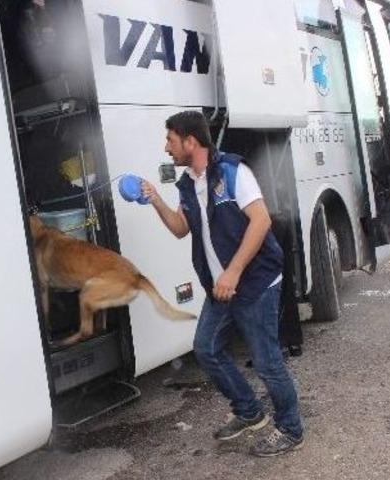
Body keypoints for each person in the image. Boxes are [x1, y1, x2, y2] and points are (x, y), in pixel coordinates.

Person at [141, 111, 305, 457]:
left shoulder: (233, 172)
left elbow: (260, 221)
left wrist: (232, 272)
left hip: (256, 282)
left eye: (170, 139)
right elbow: (180, 228)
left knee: (266, 361)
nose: (166, 147)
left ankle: (290, 428)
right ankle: (249, 412)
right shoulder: (187, 183)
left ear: (190, 141)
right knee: (207, 348)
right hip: (221, 287)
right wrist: (155, 199)